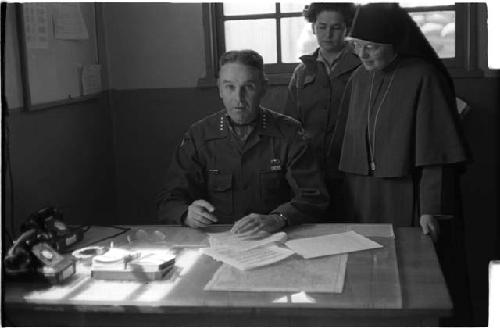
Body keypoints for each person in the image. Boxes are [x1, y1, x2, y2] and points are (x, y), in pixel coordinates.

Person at [334, 3, 472, 324]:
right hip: (361, 196)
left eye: (372, 47)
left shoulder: (422, 76)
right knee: (364, 272)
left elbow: (436, 154)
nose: (363, 55)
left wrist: (430, 208)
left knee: (406, 281)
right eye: (357, 46)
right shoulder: (357, 80)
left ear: (394, 43)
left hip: (405, 198)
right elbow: (344, 145)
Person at [158, 50, 329, 237]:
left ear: (264, 88)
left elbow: (313, 196)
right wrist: (186, 214)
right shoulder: (198, 136)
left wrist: (278, 218)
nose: (238, 99)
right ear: (220, 90)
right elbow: (169, 201)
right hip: (217, 242)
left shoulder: (289, 133)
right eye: (230, 87)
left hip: (275, 240)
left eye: (248, 87)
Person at [284, 2, 360, 220]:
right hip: (310, 171)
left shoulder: (362, 67)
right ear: (313, 28)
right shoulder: (302, 72)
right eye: (322, 26)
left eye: (336, 27)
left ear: (347, 29)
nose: (328, 34)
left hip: (351, 170)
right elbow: (290, 125)